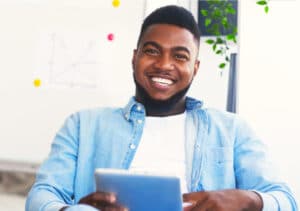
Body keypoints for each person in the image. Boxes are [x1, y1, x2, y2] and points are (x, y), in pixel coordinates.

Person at [26, 5, 297, 211]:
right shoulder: (82, 125)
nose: (164, 65)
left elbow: (286, 200)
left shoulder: (232, 130)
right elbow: (41, 197)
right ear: (135, 58)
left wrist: (247, 199)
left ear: (195, 68)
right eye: (152, 51)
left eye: (180, 56)